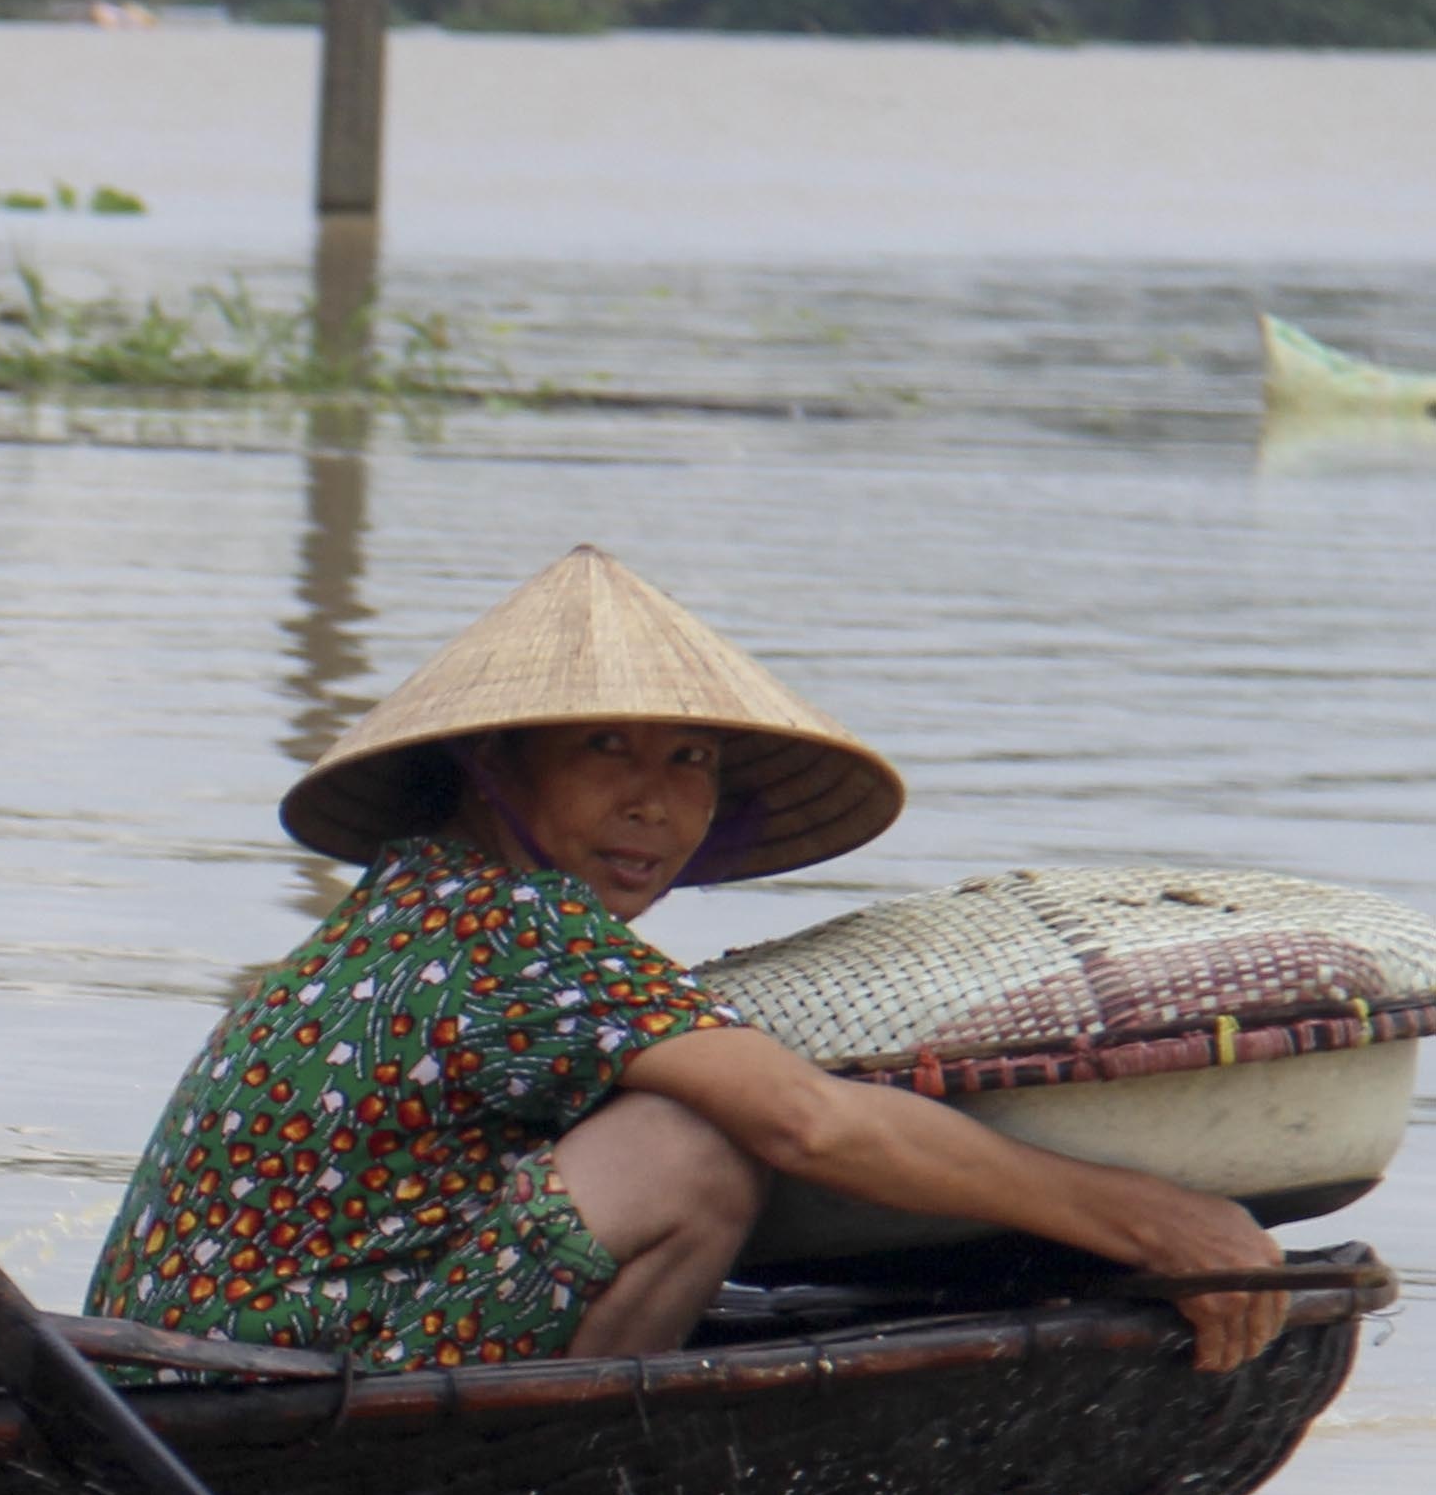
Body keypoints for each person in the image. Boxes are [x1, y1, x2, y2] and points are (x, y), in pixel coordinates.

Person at [89, 544, 1283, 1373]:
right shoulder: (509, 924)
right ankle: (566, 1464)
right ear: (494, 766)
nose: (654, 804)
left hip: (203, 1358)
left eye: (691, 761)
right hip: (260, 1380)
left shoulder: (419, 898)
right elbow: (812, 1126)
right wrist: (1158, 1222)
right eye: (605, 749)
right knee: (694, 1145)